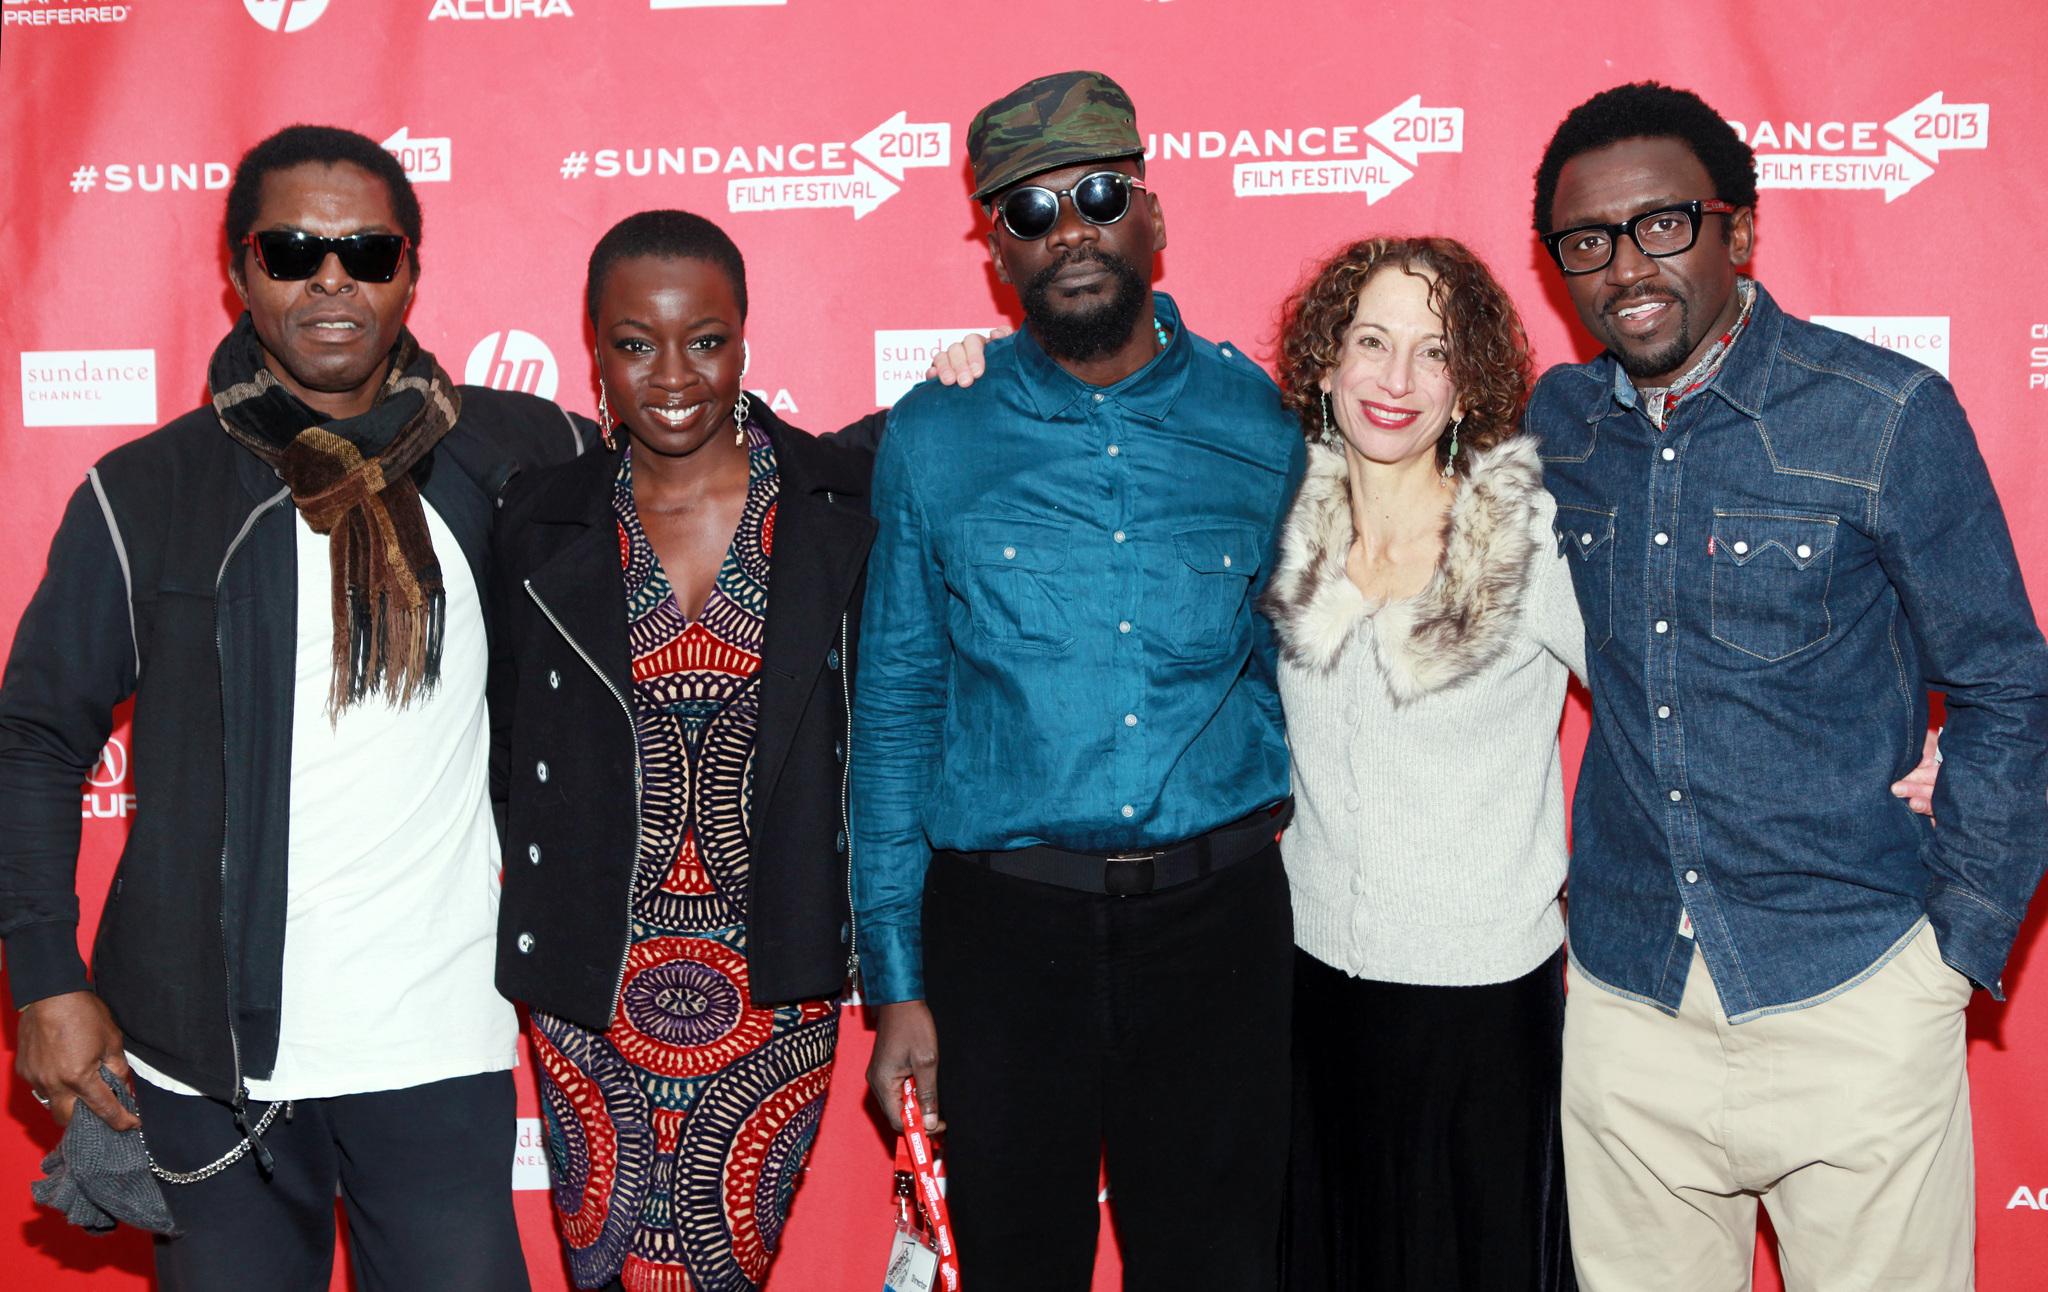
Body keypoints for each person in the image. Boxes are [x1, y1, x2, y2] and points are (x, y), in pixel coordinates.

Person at [0, 125, 590, 1290]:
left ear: (411, 272)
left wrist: (944, 399)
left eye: (367, 251)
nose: (333, 279)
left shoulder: (520, 458)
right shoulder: (147, 490)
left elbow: (717, 471)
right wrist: (44, 975)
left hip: (437, 1040)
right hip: (204, 1061)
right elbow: (33, 733)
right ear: (239, 271)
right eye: (294, 250)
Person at [1527, 82, 2048, 1291]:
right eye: (1586, 242)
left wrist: (1954, 958)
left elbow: (2005, 686)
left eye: (1662, 223)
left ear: (1737, 229)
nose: (1624, 266)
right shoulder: (1556, 426)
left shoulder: (1880, 414)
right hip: (1627, 1001)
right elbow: (1376, 452)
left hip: (1850, 994)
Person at [852, 70, 1305, 1292]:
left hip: (1221, 926)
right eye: (1028, 212)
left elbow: (1298, 670)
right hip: (1000, 934)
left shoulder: (1259, 422)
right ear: (995, 254)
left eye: (1098, 194)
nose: (1070, 232)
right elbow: (892, 715)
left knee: (1219, 1267)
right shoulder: (936, 433)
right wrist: (894, 984)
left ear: (1152, 215)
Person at [489, 210, 884, 1292]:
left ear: (745, 337)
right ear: (593, 349)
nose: (672, 374)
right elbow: (510, 734)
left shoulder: (837, 502)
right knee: (608, 1265)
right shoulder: (540, 517)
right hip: (592, 978)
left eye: (703, 339)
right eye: (634, 343)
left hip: (775, 967)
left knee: (721, 1262)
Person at [1261, 237, 1580, 1292]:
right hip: (1311, 991)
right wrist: (985, 362)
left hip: (1482, 1004)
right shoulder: (1278, 526)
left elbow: (1674, 690)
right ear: (1322, 360)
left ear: (1468, 382)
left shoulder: (1522, 537)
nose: (1395, 381)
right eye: (1370, 342)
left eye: (1432, 352)